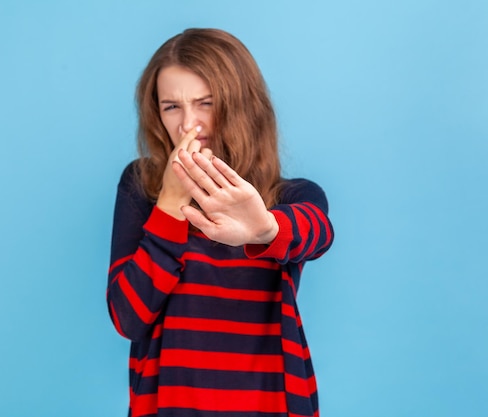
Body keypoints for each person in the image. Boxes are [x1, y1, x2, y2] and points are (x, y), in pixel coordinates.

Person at [107, 28, 334, 417]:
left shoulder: (294, 195)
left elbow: (317, 232)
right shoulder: (141, 188)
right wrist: (171, 201)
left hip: (271, 404)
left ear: (240, 104)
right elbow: (129, 317)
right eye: (171, 107)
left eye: (205, 103)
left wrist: (263, 229)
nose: (188, 125)